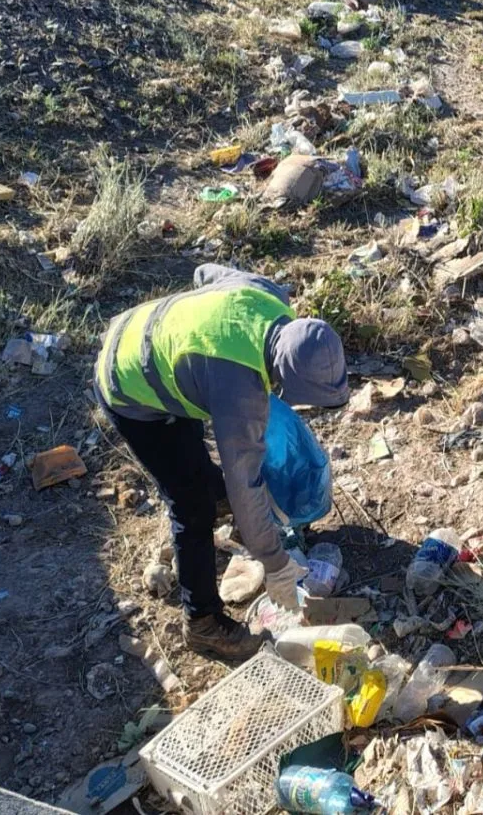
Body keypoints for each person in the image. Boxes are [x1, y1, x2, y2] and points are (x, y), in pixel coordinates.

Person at [94, 264, 349, 659]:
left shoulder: (268, 297)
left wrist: (190, 333)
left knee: (206, 484)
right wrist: (276, 563)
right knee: (190, 505)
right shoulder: (239, 393)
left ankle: (227, 529)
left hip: (152, 340)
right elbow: (243, 481)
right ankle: (203, 624)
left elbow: (203, 273)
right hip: (128, 383)